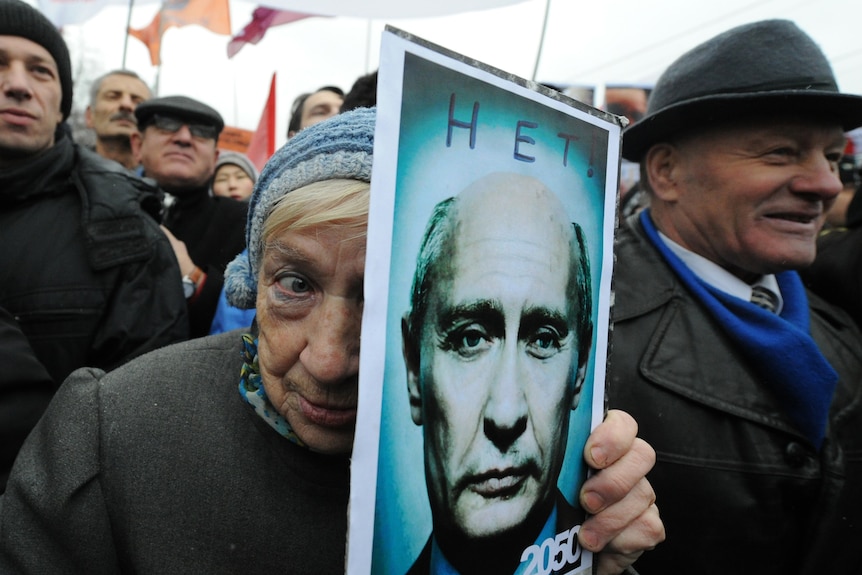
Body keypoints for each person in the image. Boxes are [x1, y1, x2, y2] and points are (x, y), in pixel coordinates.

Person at [0, 108, 663, 574]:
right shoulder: (112, 430)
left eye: (376, 294)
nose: (328, 357)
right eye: (294, 284)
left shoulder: (568, 493)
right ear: (250, 281)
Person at [611, 19, 862, 574]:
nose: (824, 183)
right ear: (668, 171)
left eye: (829, 156)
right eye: (780, 152)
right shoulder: (583, 343)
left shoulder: (843, 328)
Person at [0, 0, 188, 490]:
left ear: (61, 102)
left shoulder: (123, 232)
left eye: (40, 70)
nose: (18, 84)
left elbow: (138, 434)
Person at [401, 173, 595, 574]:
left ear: (581, 367)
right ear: (412, 366)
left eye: (543, 339)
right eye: (470, 339)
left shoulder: (618, 558)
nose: (506, 414)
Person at [131, 95, 248, 338]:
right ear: (137, 145)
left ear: (215, 159)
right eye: (166, 124)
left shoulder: (247, 224)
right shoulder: (97, 208)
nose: (184, 138)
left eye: (201, 131)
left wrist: (195, 281)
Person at [84, 69, 151, 170]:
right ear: (89, 116)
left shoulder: (167, 182)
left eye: (138, 101)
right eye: (113, 97)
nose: (126, 105)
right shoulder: (60, 176)